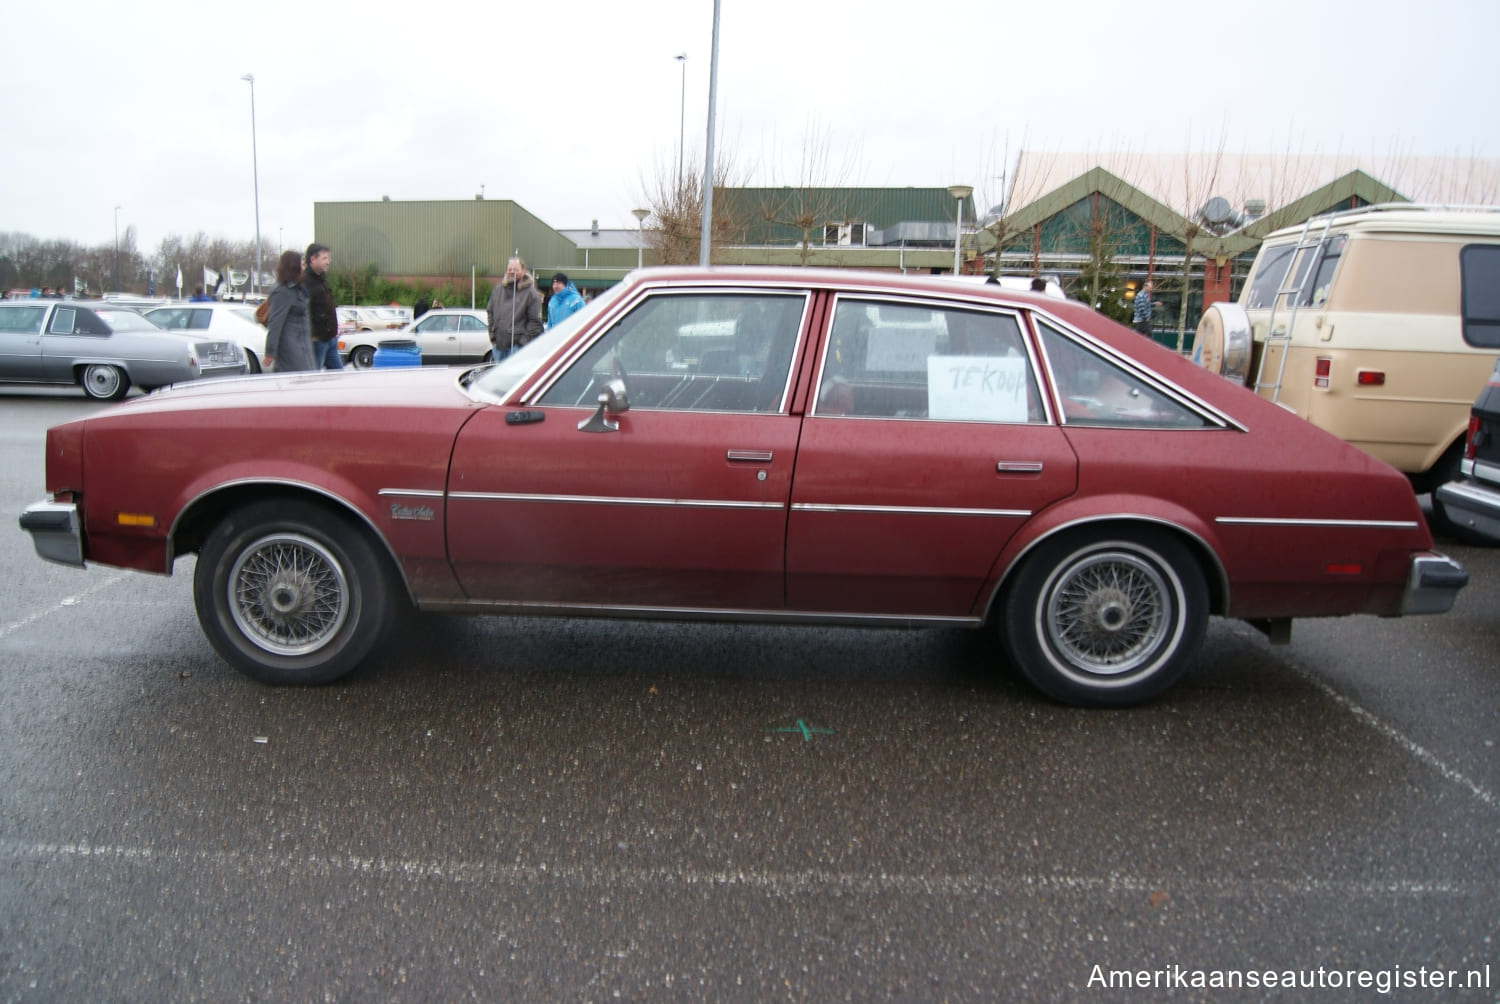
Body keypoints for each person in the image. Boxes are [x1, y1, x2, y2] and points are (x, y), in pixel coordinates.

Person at [262, 250, 316, 372]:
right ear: (293, 267)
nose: (304, 268)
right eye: (302, 264)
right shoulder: (282, 291)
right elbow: (275, 323)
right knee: (297, 381)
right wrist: (270, 352)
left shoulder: (298, 288)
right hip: (291, 347)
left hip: (302, 344)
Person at [486, 257, 543, 361]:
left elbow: (535, 322)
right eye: (510, 269)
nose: (512, 272)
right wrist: (492, 335)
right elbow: (490, 312)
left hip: (517, 348)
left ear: (523, 271)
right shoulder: (498, 290)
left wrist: (522, 343)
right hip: (498, 346)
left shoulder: (531, 294)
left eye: (516, 269)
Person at [302, 243, 343, 369]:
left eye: (328, 258)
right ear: (313, 259)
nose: (328, 262)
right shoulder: (305, 282)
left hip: (330, 338)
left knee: (340, 377)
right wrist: (312, 335)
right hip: (317, 340)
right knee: (314, 376)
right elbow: (304, 311)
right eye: (324, 258)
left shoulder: (321, 280)